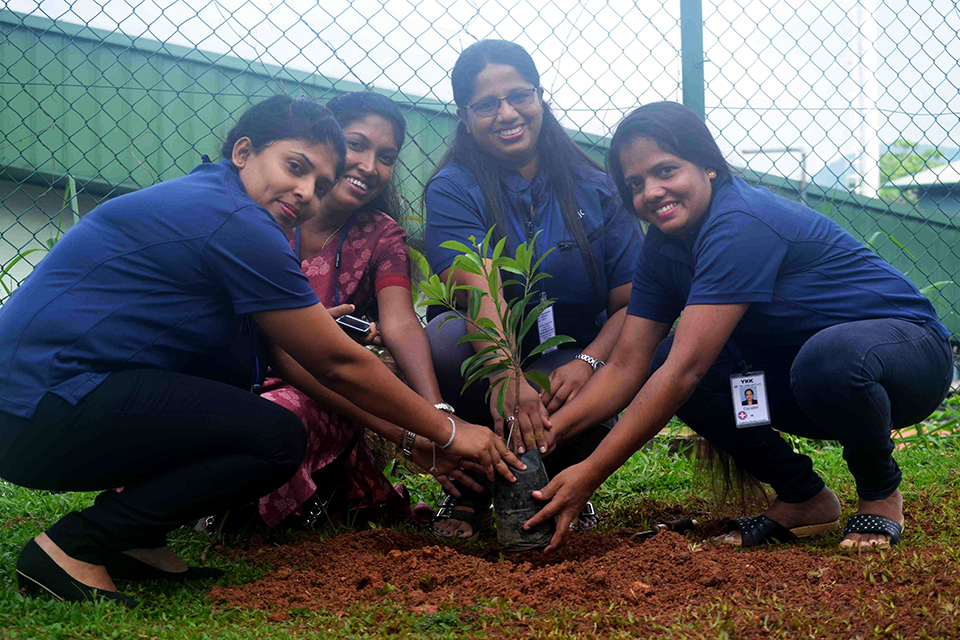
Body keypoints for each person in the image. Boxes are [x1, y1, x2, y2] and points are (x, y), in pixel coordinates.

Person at [0, 95, 521, 607]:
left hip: (39, 403)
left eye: (319, 184)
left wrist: (411, 435)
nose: (304, 192)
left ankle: (135, 537)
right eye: (295, 166)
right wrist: (447, 430)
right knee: (271, 438)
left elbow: (292, 358)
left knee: (243, 403)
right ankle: (72, 547)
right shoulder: (236, 220)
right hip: (38, 408)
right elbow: (336, 364)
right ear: (244, 151)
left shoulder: (219, 201)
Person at [524, 101, 953, 552]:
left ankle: (880, 496)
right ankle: (803, 497)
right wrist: (545, 437)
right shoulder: (662, 249)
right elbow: (627, 366)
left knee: (818, 358)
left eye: (666, 171)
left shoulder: (739, 221)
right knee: (666, 356)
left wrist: (590, 472)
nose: (651, 192)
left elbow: (684, 372)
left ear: (707, 165)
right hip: (802, 381)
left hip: (908, 358)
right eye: (636, 183)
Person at [423, 40, 642, 538]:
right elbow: (474, 286)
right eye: (486, 104)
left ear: (541, 97)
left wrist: (588, 361)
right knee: (445, 340)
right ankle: (473, 490)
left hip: (573, 356)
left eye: (519, 96)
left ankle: (561, 484)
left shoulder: (597, 186)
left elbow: (633, 304)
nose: (506, 113)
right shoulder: (454, 188)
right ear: (464, 115)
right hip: (490, 350)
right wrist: (507, 375)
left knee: (618, 360)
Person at [257, 91, 468, 527]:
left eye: (386, 156)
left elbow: (400, 322)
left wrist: (436, 414)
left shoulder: (381, 234)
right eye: (357, 145)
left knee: (281, 417)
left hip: (319, 386)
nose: (370, 167)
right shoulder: (265, 212)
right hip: (239, 369)